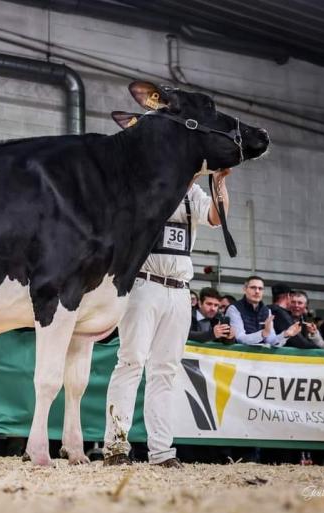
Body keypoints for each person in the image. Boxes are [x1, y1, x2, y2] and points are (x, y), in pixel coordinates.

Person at [103, 167, 233, 469]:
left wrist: (220, 182)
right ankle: (116, 447)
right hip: (144, 284)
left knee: (165, 371)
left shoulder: (193, 193)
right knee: (131, 362)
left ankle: (161, 451)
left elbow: (216, 217)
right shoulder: (146, 181)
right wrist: (190, 174)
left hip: (180, 290)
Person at [226, 276, 301, 347]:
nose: (257, 291)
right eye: (253, 288)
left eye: (260, 288)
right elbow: (240, 338)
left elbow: (271, 341)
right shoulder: (234, 308)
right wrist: (263, 333)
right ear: (245, 289)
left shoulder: (266, 311)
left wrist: (285, 334)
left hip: (259, 358)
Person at [268, 283, 317, 349]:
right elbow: (300, 342)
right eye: (293, 302)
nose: (296, 306)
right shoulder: (280, 314)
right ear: (288, 296)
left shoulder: (309, 321)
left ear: (306, 306)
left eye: (300, 303)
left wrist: (313, 335)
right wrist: (322, 352)